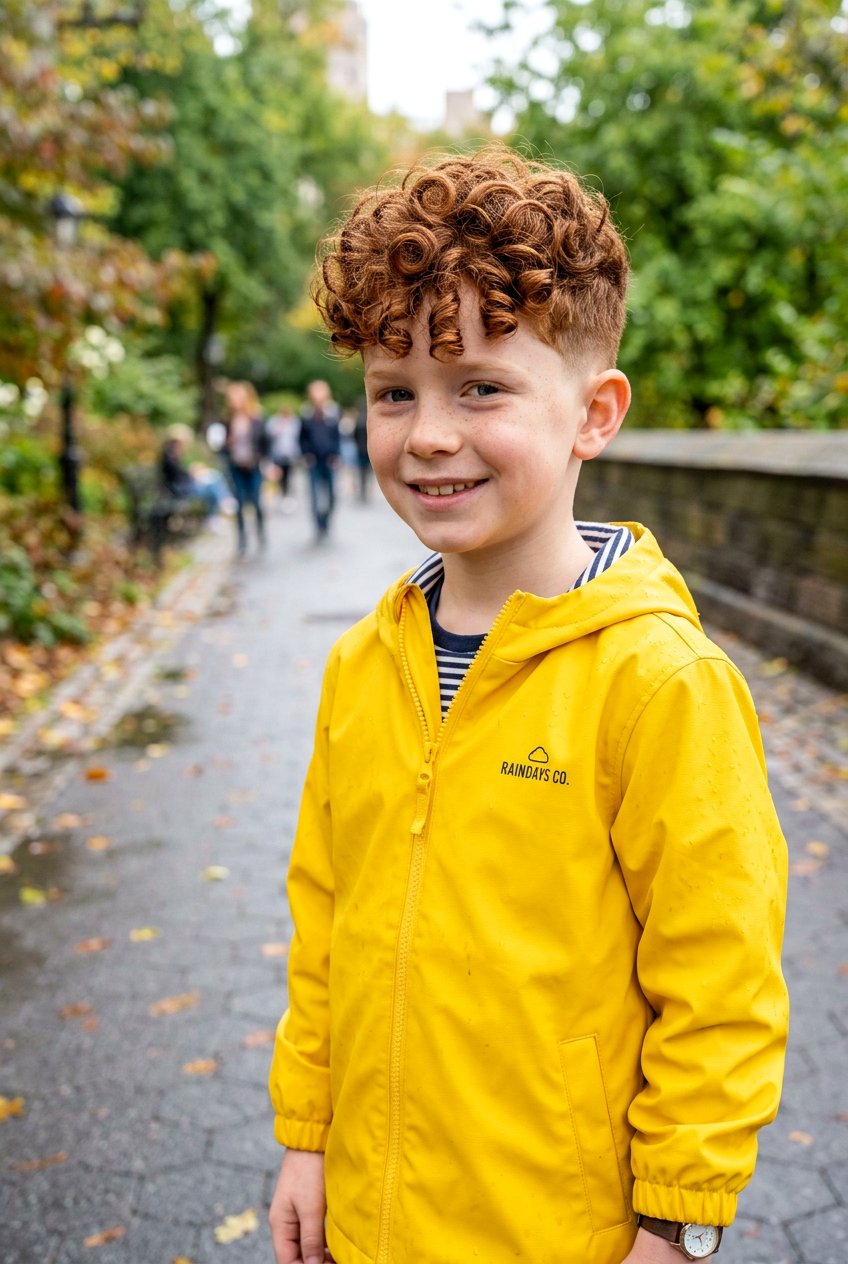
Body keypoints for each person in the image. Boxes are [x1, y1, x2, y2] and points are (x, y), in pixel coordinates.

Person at [267, 148, 789, 1264]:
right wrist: (305, 1135)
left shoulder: (658, 683)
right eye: (393, 391)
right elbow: (326, 922)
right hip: (370, 1213)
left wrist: (674, 1222)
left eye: (481, 387)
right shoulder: (365, 662)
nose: (427, 434)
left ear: (592, 414)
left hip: (557, 1234)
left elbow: (721, 985)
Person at [222, 380, 269, 555]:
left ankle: (260, 532)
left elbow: (265, 442)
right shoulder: (228, 420)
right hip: (236, 465)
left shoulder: (256, 418)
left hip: (253, 465)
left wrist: (263, 460)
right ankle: (242, 538)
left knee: (256, 501)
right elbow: (221, 445)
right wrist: (227, 444)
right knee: (239, 502)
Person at [298, 379, 341, 538]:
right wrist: (306, 454)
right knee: (314, 495)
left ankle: (326, 520)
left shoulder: (333, 411)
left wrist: (336, 454)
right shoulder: (306, 413)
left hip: (329, 459)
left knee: (332, 495)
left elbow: (337, 436)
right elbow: (302, 437)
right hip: (313, 461)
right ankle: (318, 524)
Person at [157, 423, 224, 516]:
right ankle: (214, 513)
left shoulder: (172, 456)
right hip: (179, 490)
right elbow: (177, 475)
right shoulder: (169, 457)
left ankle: (221, 504)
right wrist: (191, 473)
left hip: (181, 487)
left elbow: (179, 473)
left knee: (215, 478)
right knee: (212, 489)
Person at [267, 402, 301, 509]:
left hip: (291, 455)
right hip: (277, 454)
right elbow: (269, 435)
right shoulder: (274, 421)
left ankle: (289, 497)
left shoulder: (294, 422)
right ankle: (281, 496)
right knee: (279, 477)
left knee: (289, 477)